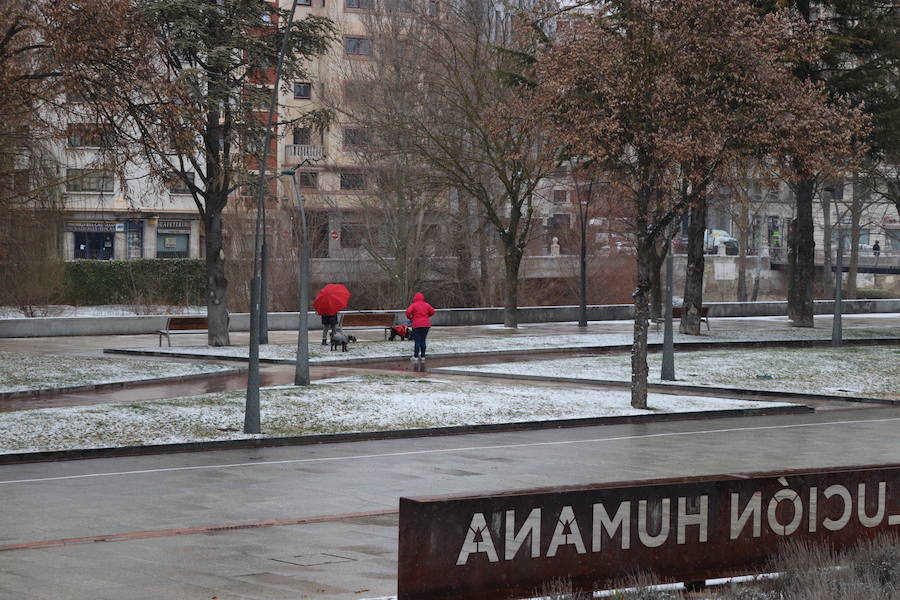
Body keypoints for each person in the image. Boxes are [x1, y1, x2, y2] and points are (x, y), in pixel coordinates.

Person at [405, 292, 435, 361]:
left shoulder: (413, 305)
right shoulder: (427, 305)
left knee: (417, 340)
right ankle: (423, 356)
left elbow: (408, 312)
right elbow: (433, 311)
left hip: (416, 325)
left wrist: (410, 318)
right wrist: (427, 316)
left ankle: (416, 356)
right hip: (426, 325)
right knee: (423, 340)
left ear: (415, 298)